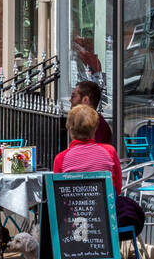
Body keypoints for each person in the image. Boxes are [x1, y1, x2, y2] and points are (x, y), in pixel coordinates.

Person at [52, 104, 144, 237]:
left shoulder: (61, 158)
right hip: (106, 217)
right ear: (95, 128)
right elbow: (117, 188)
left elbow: (59, 197)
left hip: (74, 222)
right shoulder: (109, 151)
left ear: (69, 129)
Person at [70, 80, 113, 146]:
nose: (70, 100)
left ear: (85, 100)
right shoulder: (94, 122)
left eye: (73, 96)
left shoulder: (97, 124)